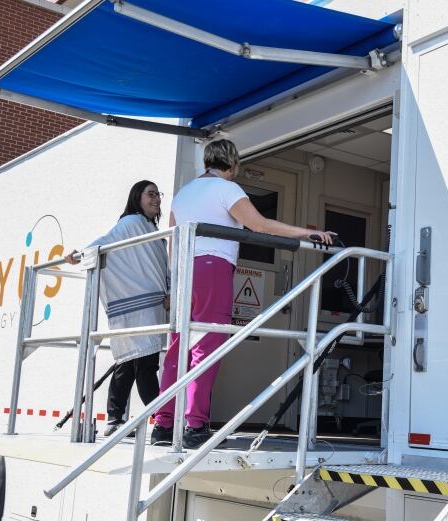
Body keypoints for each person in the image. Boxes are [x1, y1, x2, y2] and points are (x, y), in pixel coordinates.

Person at [151, 139, 335, 449]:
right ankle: (195, 426)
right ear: (232, 165)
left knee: (178, 346)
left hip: (183, 271)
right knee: (208, 346)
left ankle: (163, 424)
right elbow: (259, 225)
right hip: (212, 267)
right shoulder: (227, 190)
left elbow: (172, 240)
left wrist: (172, 281)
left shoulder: (183, 193)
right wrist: (307, 233)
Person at [65, 180, 169, 437]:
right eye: (150, 194)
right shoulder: (131, 223)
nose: (156, 199)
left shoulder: (150, 229)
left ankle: (117, 418)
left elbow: (161, 267)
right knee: (142, 363)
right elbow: (105, 243)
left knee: (133, 361)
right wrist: (80, 254)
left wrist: (169, 291)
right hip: (138, 307)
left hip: (151, 306)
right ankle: (159, 419)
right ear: (137, 197)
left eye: (158, 194)